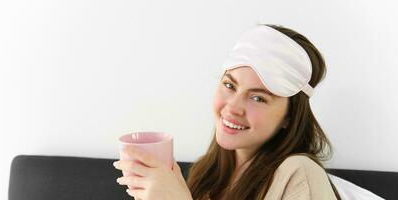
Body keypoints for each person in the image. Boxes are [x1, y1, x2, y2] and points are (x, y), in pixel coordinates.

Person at [113, 23, 340, 200]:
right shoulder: (209, 172)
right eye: (230, 85)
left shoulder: (300, 174)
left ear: (289, 117)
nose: (233, 107)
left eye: (258, 98)